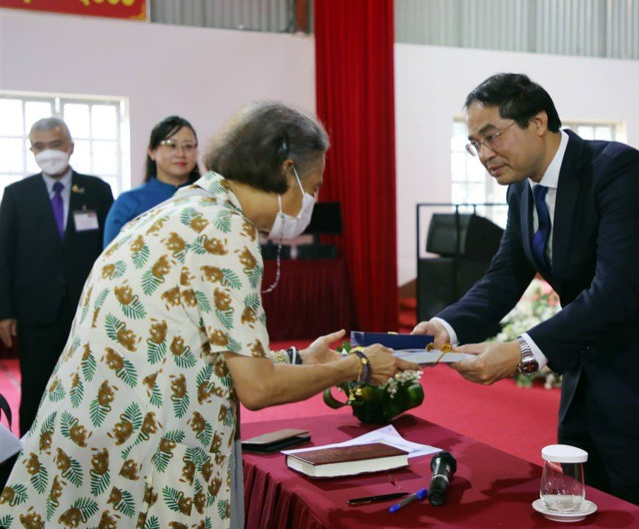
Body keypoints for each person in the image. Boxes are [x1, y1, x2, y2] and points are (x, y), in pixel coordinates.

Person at [0, 102, 418, 528]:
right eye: (312, 185)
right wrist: (358, 365)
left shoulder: (180, 210)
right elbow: (256, 388)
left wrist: (299, 360)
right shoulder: (225, 231)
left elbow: (188, 350)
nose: (311, 199)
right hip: (139, 455)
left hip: (87, 450)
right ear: (286, 170)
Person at [413, 73, 639, 529]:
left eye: (492, 136)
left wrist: (519, 353)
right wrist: (447, 327)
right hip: (585, 379)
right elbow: (504, 277)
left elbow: (616, 293)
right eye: (474, 144)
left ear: (538, 122)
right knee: (578, 511)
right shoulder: (522, 190)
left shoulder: (618, 171)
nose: (485, 155)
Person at [0, 117, 114, 437]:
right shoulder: (17, 194)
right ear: (31, 150)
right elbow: (3, 258)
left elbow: (111, 251)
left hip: (88, 310)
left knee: (90, 385)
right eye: (40, 146)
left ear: (70, 147)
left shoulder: (97, 190)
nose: (48, 152)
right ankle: (28, 461)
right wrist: (5, 312)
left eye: (55, 144)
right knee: (36, 386)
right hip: (36, 311)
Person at [103, 115, 201, 246]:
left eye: (188, 146)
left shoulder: (209, 198)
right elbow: (111, 259)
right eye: (171, 145)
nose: (181, 153)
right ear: (152, 152)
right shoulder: (129, 202)